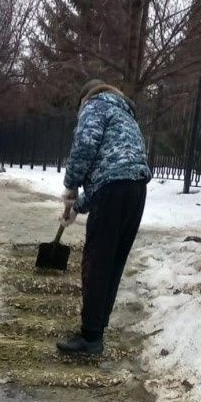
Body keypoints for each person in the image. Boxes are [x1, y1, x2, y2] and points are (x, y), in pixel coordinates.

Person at [56, 79, 151, 356]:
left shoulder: (95, 105)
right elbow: (111, 177)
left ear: (84, 98)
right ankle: (97, 328)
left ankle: (90, 338)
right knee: (113, 262)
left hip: (114, 190)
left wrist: (71, 184)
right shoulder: (123, 114)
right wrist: (76, 208)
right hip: (136, 191)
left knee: (97, 261)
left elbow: (84, 146)